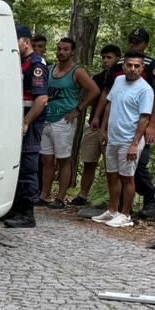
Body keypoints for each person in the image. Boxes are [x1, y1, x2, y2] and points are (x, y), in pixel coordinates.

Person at [96, 28, 155, 219]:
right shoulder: (118, 67)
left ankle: (147, 200)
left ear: (145, 44)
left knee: (139, 165)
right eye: (131, 40)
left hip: (139, 125)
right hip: (117, 126)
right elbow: (107, 93)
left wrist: (152, 125)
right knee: (113, 169)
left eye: (138, 41)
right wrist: (98, 118)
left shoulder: (152, 67)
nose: (134, 43)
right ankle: (114, 208)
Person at [92, 52, 153, 229]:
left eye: (137, 66)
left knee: (127, 177)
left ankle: (126, 214)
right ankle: (113, 210)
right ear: (123, 66)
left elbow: (144, 119)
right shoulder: (118, 81)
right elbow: (110, 105)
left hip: (129, 139)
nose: (132, 69)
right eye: (129, 65)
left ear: (142, 68)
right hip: (113, 136)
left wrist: (135, 144)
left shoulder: (145, 89)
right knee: (112, 174)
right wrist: (103, 129)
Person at [38, 37, 99, 209]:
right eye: (59, 49)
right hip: (47, 118)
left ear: (72, 52)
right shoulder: (49, 69)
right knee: (47, 160)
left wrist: (79, 110)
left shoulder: (77, 71)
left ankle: (61, 197)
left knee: (64, 159)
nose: (61, 52)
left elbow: (94, 90)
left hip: (64, 120)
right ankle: (44, 194)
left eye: (65, 49)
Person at [3, 25, 47, 228]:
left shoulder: (36, 64)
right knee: (17, 164)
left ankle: (27, 214)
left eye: (16, 42)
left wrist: (26, 121)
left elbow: (41, 99)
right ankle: (15, 208)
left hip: (30, 121)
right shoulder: (21, 62)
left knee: (28, 165)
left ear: (26, 42)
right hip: (18, 119)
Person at [76, 44, 120, 208]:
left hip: (110, 128)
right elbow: (92, 98)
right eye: (104, 57)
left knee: (112, 166)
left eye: (109, 57)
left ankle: (114, 201)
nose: (106, 60)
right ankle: (82, 195)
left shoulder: (121, 79)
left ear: (117, 59)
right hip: (93, 124)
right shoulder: (98, 78)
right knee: (89, 161)